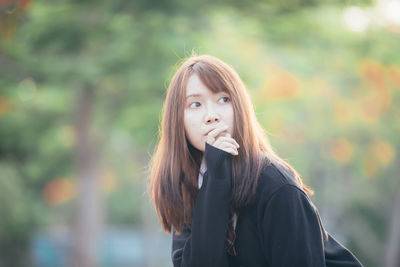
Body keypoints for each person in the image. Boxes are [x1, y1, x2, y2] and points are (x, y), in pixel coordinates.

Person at [148, 54, 363, 266]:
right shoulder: (191, 183)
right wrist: (216, 181)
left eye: (224, 99)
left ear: (240, 108)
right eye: (195, 104)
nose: (212, 115)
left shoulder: (276, 184)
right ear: (178, 120)